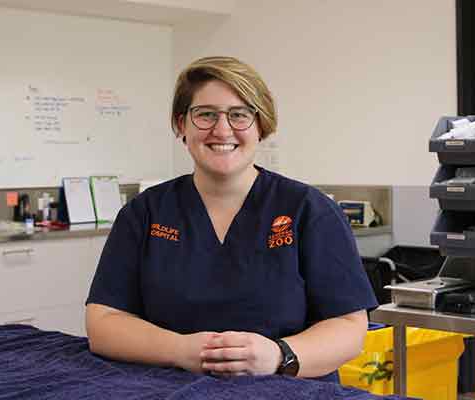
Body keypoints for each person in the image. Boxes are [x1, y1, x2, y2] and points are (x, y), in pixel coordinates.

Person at [85, 56, 378, 382]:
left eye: (239, 115)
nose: (222, 129)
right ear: (182, 125)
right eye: (205, 114)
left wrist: (280, 355)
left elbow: (350, 327)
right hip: (166, 388)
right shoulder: (145, 213)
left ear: (261, 125)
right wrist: (181, 350)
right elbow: (104, 321)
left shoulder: (310, 210)